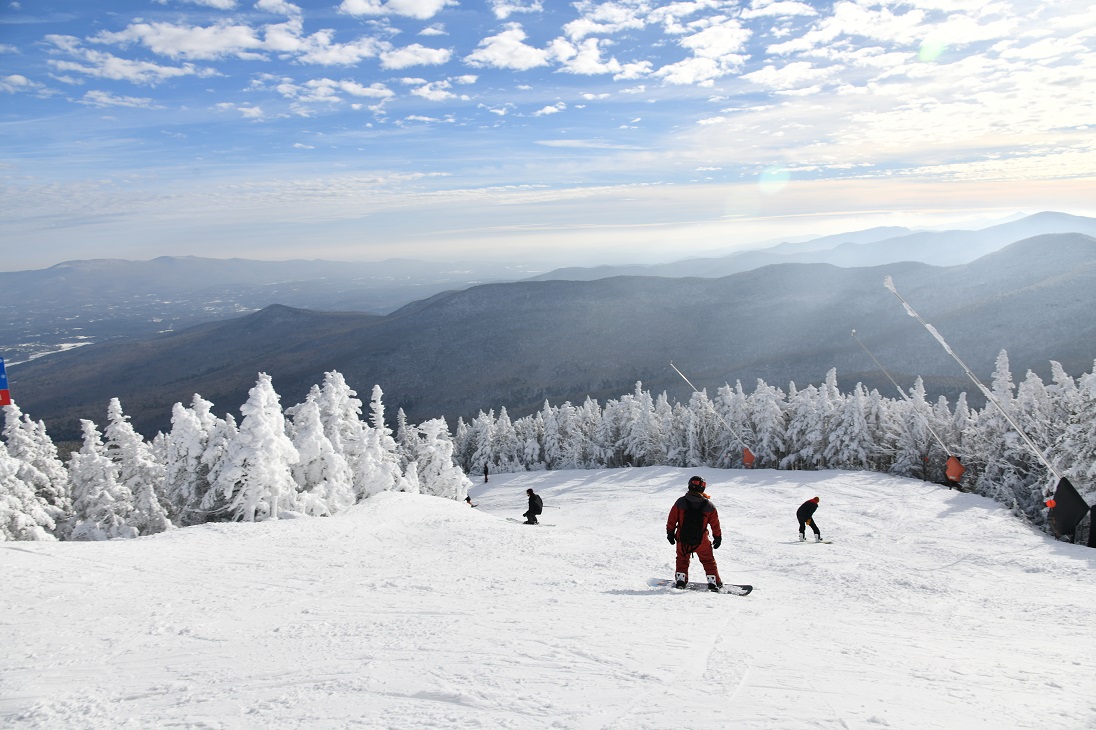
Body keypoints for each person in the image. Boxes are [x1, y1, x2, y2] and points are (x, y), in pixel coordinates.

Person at [666, 475, 723, 591]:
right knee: (708, 560)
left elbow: (672, 519)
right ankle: (713, 582)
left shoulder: (681, 502)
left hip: (683, 539)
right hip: (702, 541)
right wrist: (718, 538)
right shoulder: (709, 505)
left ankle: (681, 580)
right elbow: (715, 524)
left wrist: (670, 533)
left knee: (682, 559)